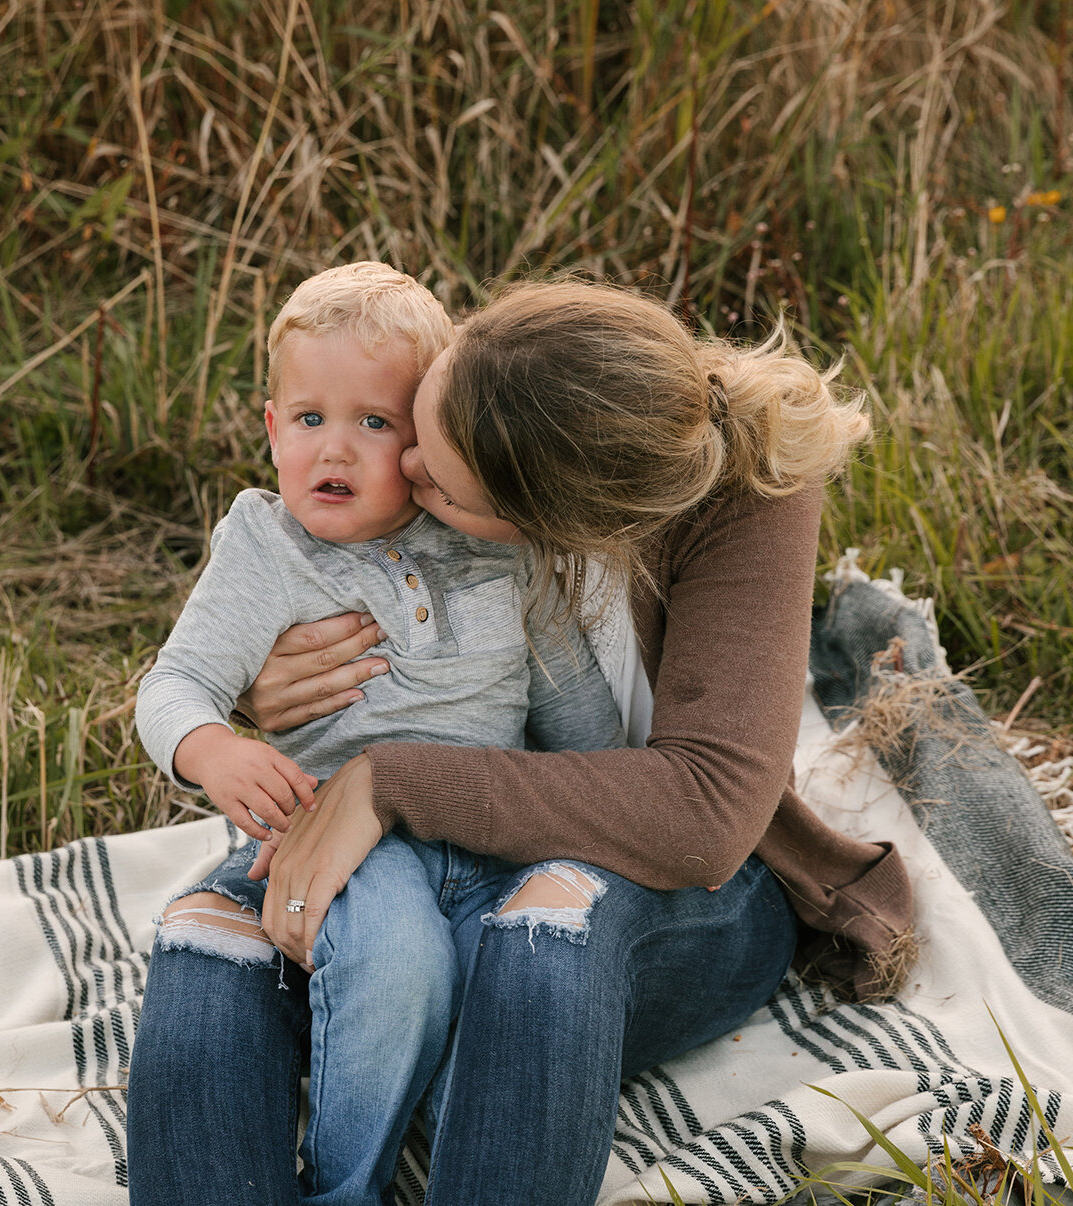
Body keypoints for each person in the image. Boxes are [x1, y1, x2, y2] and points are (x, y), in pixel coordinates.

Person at [126, 279, 915, 1206]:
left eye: (438, 481)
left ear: (551, 521)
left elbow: (705, 811)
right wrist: (276, 685)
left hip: (653, 871)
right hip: (423, 846)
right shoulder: (502, 384)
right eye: (412, 433)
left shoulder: (737, 489)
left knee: (543, 929)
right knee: (215, 934)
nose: (407, 471)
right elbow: (330, 575)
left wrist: (392, 776)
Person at [131, 262, 624, 1206]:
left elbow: (576, 719)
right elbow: (176, 682)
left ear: (432, 443)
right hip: (355, 848)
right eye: (310, 419)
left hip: (494, 834)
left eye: (375, 423)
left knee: (519, 994)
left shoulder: (494, 544)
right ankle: (346, 1183)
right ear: (272, 428)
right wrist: (212, 747)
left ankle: (445, 1144)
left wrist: (602, 807)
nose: (336, 451)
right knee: (400, 969)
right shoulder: (264, 546)